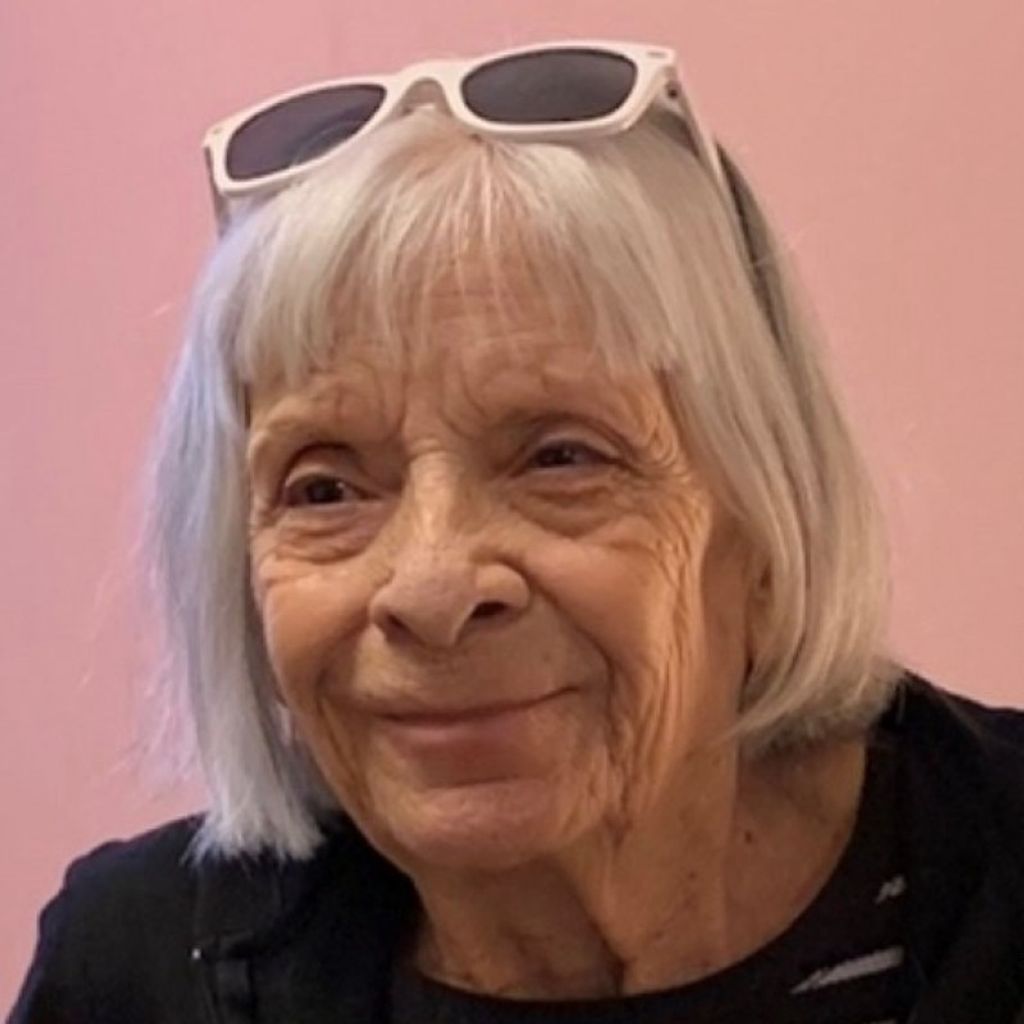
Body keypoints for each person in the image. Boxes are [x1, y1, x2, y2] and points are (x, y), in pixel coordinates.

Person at [9, 40, 1024, 1024]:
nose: (432, 586)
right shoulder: (135, 976)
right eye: (324, 489)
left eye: (561, 457)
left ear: (765, 521)